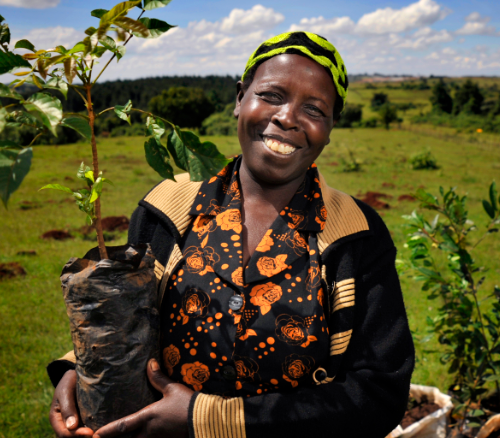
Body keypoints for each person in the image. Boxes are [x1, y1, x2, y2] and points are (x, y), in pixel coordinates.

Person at [47, 31, 414, 438]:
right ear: (241, 98)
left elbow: (379, 394)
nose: (288, 117)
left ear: (329, 127)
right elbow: (127, 317)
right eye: (272, 95)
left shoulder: (356, 235)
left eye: (314, 109)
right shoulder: (170, 205)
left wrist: (204, 419)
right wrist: (77, 372)